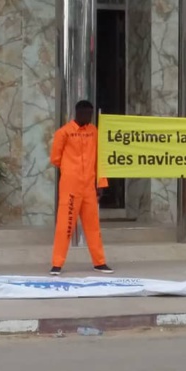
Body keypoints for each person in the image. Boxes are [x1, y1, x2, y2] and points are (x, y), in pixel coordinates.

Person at [49, 100, 113, 276]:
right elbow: (55, 158)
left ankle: (99, 262)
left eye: (90, 114)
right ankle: (57, 263)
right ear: (77, 113)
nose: (88, 118)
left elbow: (101, 159)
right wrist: (70, 169)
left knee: (93, 226)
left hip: (89, 187)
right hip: (71, 186)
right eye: (85, 114)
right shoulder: (64, 133)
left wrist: (101, 183)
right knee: (65, 225)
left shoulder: (94, 132)